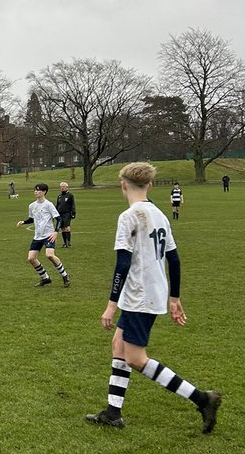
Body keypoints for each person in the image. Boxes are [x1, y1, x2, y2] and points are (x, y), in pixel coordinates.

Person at [86, 162, 221, 432]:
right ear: (148, 185)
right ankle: (113, 413)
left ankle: (203, 399)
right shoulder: (159, 214)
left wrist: (110, 306)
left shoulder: (129, 217)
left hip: (140, 295)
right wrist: (174, 297)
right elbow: (174, 258)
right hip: (150, 293)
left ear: (123, 185)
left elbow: (122, 264)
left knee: (136, 358)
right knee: (118, 347)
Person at [16, 183, 70, 288]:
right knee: (31, 258)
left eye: (38, 190)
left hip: (49, 235)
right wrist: (23, 222)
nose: (36, 192)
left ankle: (65, 276)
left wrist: (55, 232)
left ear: (44, 192)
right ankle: (45, 278)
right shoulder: (32, 206)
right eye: (35, 190)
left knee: (49, 255)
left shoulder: (49, 205)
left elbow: (59, 219)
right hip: (38, 236)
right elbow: (32, 219)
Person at [55, 181, 76, 248]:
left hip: (67, 213)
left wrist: (73, 213)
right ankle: (65, 243)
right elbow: (58, 205)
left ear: (67, 187)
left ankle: (68, 243)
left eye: (63, 186)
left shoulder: (70, 195)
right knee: (62, 228)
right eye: (61, 187)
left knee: (67, 228)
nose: (62, 188)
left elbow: (73, 204)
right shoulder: (59, 196)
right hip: (60, 214)